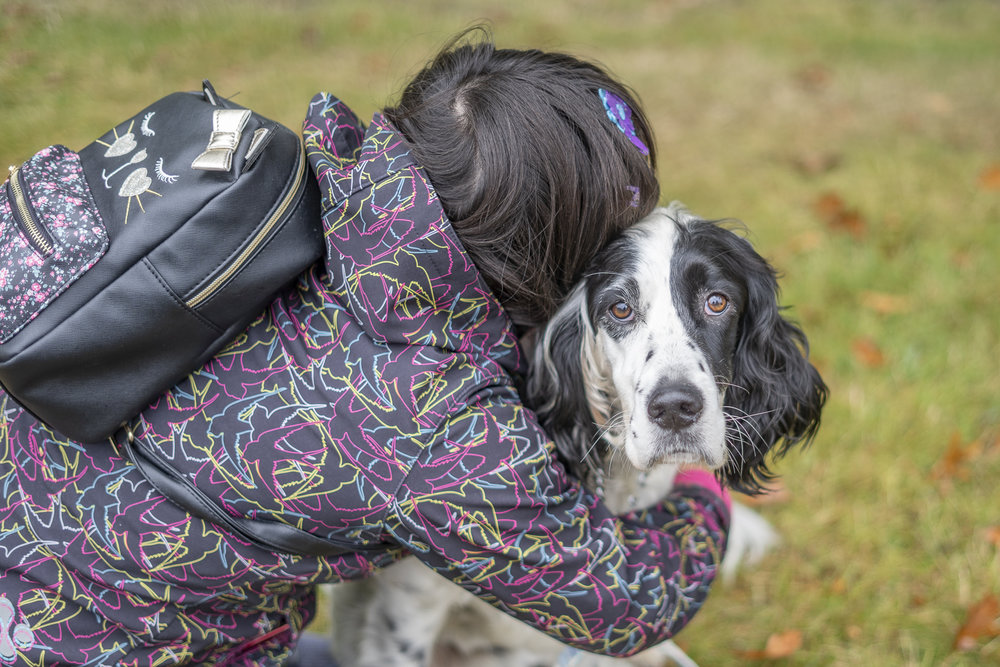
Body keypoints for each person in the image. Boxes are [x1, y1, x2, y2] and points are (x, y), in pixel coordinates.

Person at [0, 29, 730, 665]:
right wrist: (701, 477)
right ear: (549, 251)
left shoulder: (287, 203)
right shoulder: (438, 424)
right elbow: (625, 603)